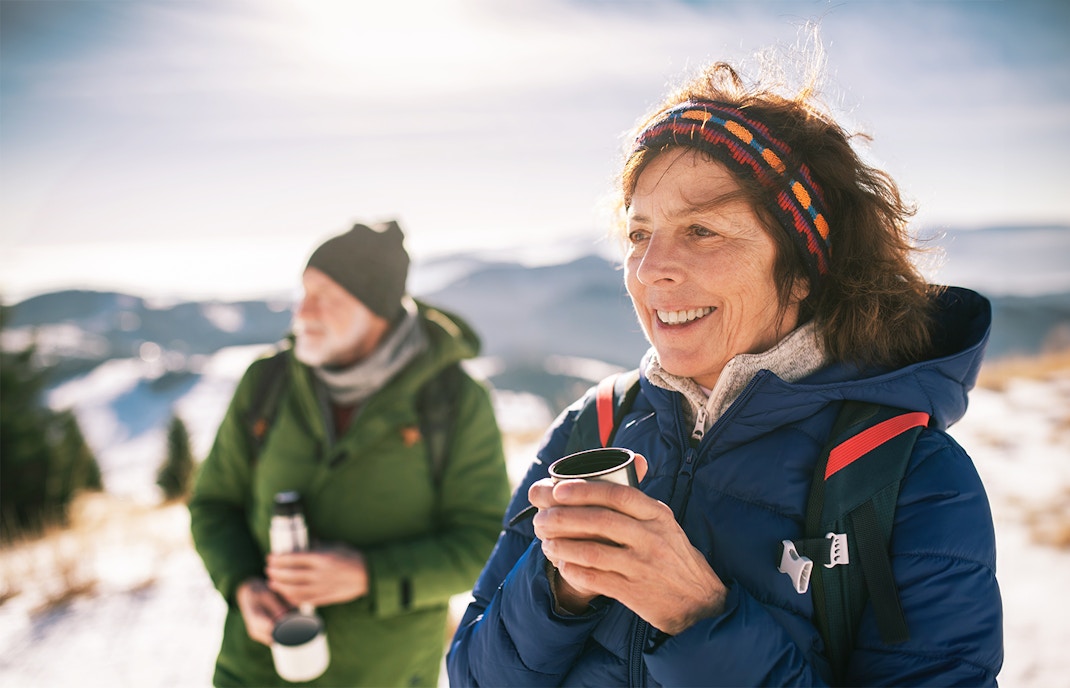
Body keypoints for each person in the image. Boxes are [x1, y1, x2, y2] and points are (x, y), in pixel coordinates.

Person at [447, 59, 1003, 686]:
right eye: (639, 233)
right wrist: (559, 590)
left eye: (703, 230)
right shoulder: (593, 428)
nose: (651, 268)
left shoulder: (909, 478)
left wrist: (697, 615)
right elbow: (469, 675)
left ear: (799, 272)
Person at [189, 220, 511, 687]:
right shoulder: (267, 382)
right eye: (304, 292)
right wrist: (242, 585)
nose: (303, 312)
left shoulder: (454, 401)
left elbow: (484, 542)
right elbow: (213, 506)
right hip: (255, 668)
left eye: (327, 297)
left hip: (385, 672)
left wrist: (368, 575)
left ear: (376, 309)